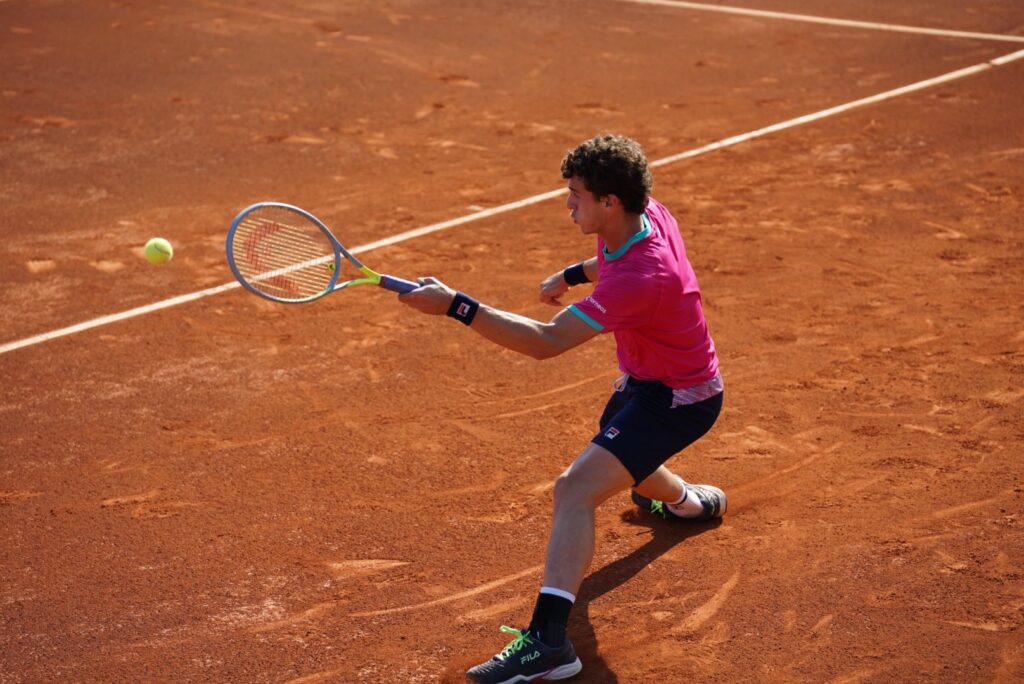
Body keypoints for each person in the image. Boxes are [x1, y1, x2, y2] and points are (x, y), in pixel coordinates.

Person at [398, 134, 725, 683]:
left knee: (575, 488)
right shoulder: (643, 217)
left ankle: (550, 643)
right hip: (645, 382)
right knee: (625, 461)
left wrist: (457, 306)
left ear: (608, 202)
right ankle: (689, 503)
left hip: (680, 399)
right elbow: (610, 259)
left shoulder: (644, 279)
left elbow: (547, 342)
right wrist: (572, 275)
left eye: (575, 194)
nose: (568, 203)